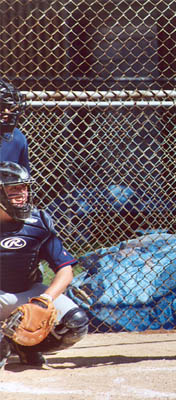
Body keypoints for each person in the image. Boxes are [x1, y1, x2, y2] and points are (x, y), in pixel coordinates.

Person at [0, 161, 88, 369]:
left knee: (76, 324)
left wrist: (44, 300)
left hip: (29, 292)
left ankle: (27, 347)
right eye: (13, 189)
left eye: (24, 188)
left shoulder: (38, 223)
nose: (22, 194)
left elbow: (65, 270)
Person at [0, 79, 29, 172]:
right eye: (1, 107)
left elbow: (23, 183)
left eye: (9, 107)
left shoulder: (16, 138)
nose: (6, 113)